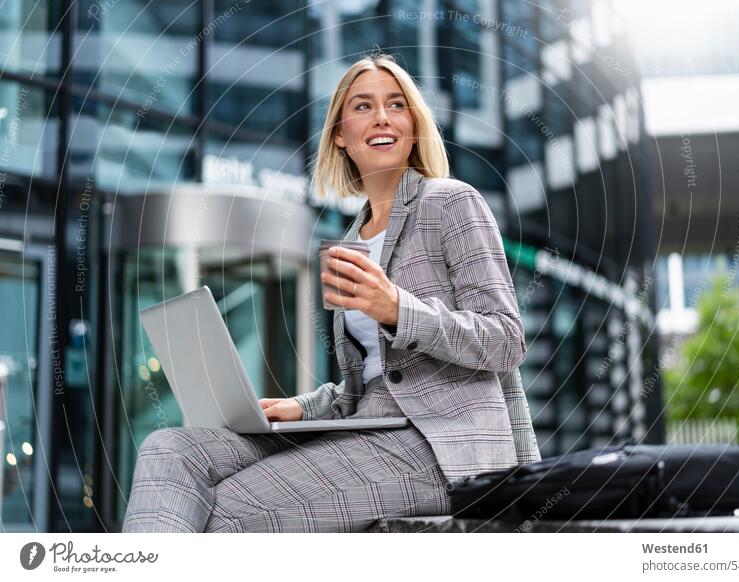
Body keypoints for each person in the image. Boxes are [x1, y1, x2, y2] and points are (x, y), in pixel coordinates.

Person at [122, 52, 540, 533]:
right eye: (363, 106)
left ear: (414, 126)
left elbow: (506, 341)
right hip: (368, 432)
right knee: (170, 449)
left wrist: (399, 310)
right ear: (341, 135)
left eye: (396, 104)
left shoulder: (451, 202)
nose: (382, 116)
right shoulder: (349, 244)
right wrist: (302, 407)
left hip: (442, 448)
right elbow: (371, 389)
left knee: (227, 511)